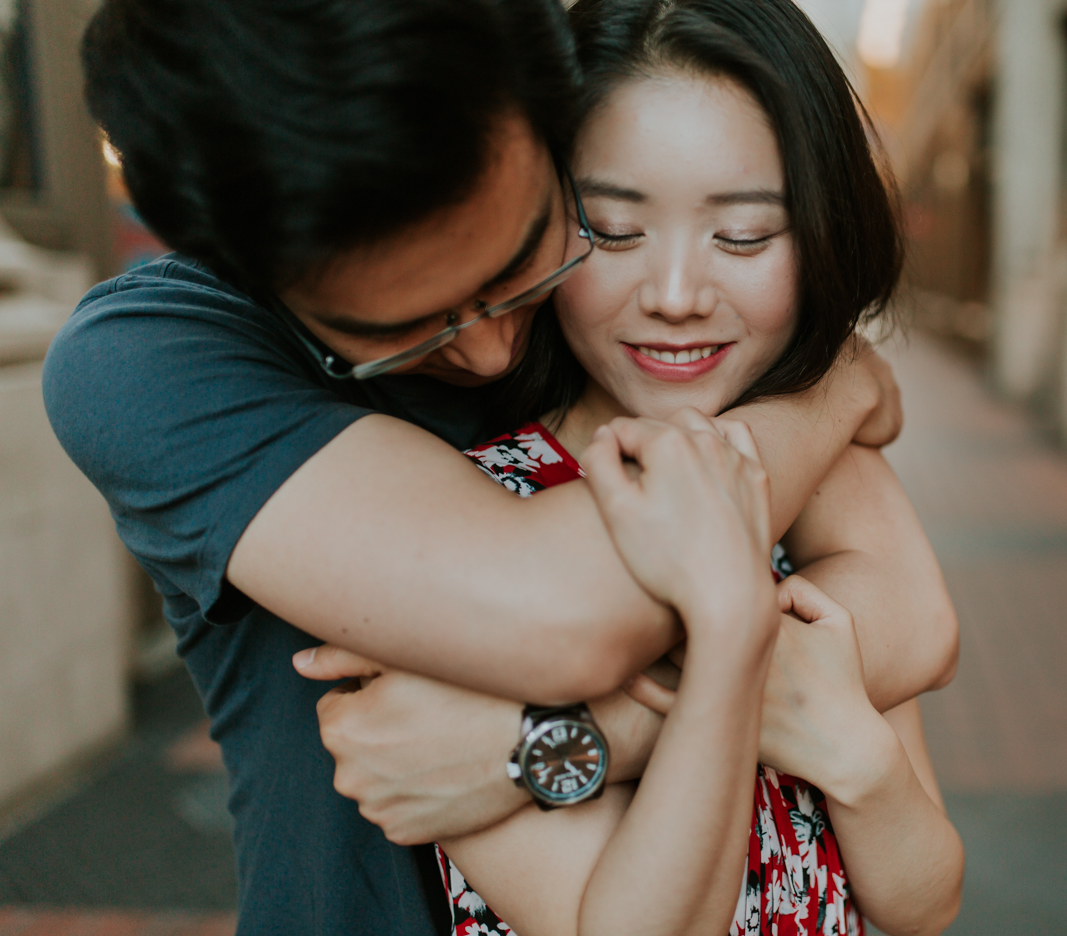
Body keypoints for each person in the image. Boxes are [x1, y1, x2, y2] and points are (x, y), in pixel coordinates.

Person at [43, 1, 950, 934]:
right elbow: (572, 613)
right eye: (401, 329)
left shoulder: (639, 349)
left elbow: (917, 622)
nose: (487, 356)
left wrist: (565, 738)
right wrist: (832, 395)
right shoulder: (153, 356)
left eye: (523, 260)